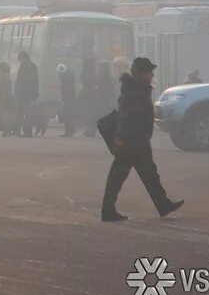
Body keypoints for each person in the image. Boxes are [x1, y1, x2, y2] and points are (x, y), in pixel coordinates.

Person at [101, 57, 184, 222]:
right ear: (140, 74)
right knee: (120, 176)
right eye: (149, 72)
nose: (152, 75)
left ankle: (162, 204)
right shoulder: (135, 92)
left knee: (147, 175)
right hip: (132, 142)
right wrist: (122, 138)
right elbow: (127, 117)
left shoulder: (137, 89)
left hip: (138, 140)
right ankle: (108, 211)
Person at [14, 50, 39, 138]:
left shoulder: (26, 67)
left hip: (24, 95)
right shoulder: (31, 66)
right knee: (26, 114)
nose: (19, 61)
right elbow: (36, 82)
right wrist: (35, 94)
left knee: (22, 114)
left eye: (20, 59)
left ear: (23, 58)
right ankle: (25, 132)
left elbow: (26, 82)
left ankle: (23, 132)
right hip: (27, 95)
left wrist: (17, 92)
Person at [0, 61, 16, 137]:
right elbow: (7, 90)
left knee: (3, 116)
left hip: (2, 99)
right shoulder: (6, 77)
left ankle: (6, 131)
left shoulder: (1, 76)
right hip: (5, 99)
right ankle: (7, 131)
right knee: (6, 116)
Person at [78, 58, 97, 137]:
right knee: (91, 112)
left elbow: (83, 81)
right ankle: (91, 129)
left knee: (87, 112)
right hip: (92, 94)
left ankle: (90, 129)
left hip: (86, 94)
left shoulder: (84, 72)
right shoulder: (92, 72)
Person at [58, 64, 77, 137]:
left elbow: (67, 91)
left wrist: (64, 101)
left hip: (68, 100)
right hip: (69, 100)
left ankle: (68, 131)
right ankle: (70, 130)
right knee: (68, 115)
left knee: (66, 116)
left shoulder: (66, 80)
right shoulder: (69, 77)